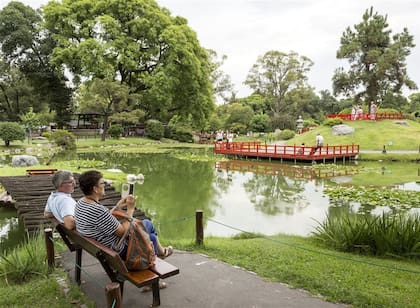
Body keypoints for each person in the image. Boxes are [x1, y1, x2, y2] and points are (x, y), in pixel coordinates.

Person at [74, 170, 173, 259]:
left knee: (151, 237)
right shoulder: (98, 210)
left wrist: (118, 207)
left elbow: (103, 219)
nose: (105, 184)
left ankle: (161, 253)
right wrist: (130, 209)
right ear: (95, 189)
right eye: (102, 183)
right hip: (118, 250)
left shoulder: (81, 203)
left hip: (103, 248)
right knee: (148, 227)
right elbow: (123, 232)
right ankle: (156, 260)